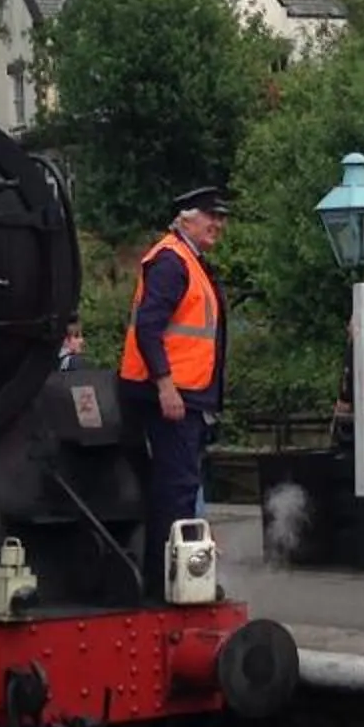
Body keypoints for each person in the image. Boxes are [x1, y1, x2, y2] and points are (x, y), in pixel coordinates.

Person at [118, 187, 230, 574]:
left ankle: (171, 576)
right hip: (170, 396)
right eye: (210, 215)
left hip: (186, 394)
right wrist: (165, 384)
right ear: (185, 217)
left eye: (221, 217)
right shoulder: (171, 261)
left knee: (177, 487)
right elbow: (149, 327)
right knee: (177, 489)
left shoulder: (189, 260)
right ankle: (168, 580)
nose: (218, 224)